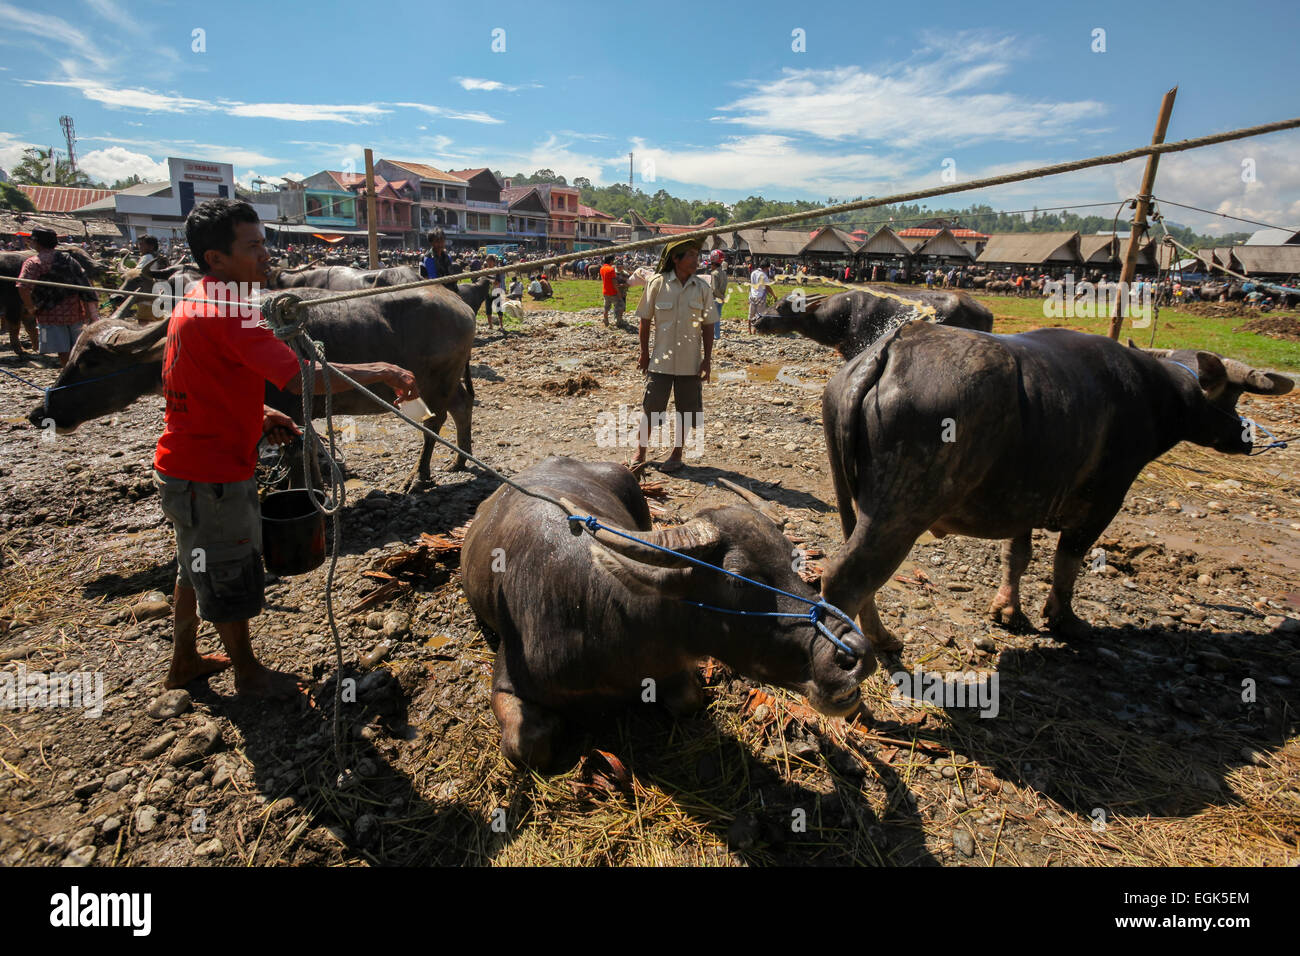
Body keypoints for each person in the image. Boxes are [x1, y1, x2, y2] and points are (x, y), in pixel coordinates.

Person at [152, 199, 418, 699]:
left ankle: (184, 660)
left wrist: (258, 414)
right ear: (216, 259)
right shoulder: (231, 310)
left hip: (185, 466)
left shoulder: (198, 299)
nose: (266, 256)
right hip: (210, 474)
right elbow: (306, 377)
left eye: (263, 244)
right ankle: (248, 674)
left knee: (194, 564)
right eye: (252, 246)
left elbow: (200, 382)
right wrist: (382, 369)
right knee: (228, 570)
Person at [634, 237, 716, 473]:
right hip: (660, 361)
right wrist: (644, 353)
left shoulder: (702, 288)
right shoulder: (657, 284)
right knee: (651, 408)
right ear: (675, 259)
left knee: (687, 411)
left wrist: (707, 359)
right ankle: (640, 452)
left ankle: (677, 454)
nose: (696, 260)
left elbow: (708, 325)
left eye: (696, 254)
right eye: (690, 254)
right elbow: (645, 320)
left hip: (690, 363)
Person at [16, 228, 98, 368]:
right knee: (77, 347)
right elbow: (84, 284)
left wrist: (31, 307)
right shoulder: (69, 260)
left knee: (63, 351)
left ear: (36, 242)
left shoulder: (34, 262)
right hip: (75, 312)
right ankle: (80, 374)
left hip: (49, 314)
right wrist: (90, 312)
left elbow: (22, 286)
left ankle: (69, 375)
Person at [599, 254, 626, 327]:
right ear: (611, 261)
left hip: (605, 291)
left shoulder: (602, 268)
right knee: (620, 305)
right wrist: (618, 292)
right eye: (613, 260)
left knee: (606, 307)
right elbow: (614, 282)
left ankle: (605, 319)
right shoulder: (611, 269)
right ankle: (618, 321)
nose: (614, 262)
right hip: (612, 292)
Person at [747, 259, 770, 334]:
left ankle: (749, 331)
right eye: (768, 268)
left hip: (752, 296)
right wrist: (774, 295)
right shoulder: (764, 275)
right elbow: (767, 287)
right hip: (761, 297)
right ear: (766, 267)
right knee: (759, 315)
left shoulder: (753, 273)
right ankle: (756, 331)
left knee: (751, 314)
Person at [709, 250, 728, 340]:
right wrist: (723, 297)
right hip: (722, 298)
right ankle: (716, 334)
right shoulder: (724, 273)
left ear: (713, 264)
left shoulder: (714, 274)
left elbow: (714, 289)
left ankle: (715, 335)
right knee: (717, 317)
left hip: (714, 298)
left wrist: (719, 296)